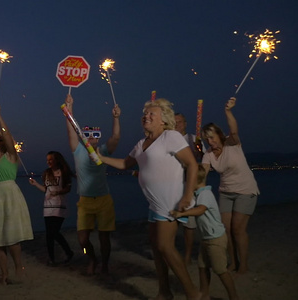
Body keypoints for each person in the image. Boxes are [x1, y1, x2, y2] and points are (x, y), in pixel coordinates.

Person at [96, 98, 201, 300]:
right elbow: (125, 164)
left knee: (165, 246)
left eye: (152, 114)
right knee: (157, 248)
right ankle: (164, 291)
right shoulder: (141, 144)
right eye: (145, 114)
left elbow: (192, 165)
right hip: (154, 203)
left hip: (171, 201)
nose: (147, 116)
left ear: (163, 120)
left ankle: (192, 293)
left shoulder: (170, 136)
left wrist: (188, 195)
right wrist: (102, 158)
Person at [201, 97, 259, 274]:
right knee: (226, 229)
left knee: (237, 229)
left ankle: (244, 265)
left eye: (212, 137)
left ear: (219, 134)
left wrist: (228, 111)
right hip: (226, 193)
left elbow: (234, 130)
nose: (210, 142)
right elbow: (201, 175)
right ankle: (233, 262)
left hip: (245, 190)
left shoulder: (231, 143)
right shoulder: (208, 154)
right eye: (206, 139)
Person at [64, 94, 120, 275]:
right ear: (84, 137)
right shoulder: (78, 150)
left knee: (104, 238)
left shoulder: (103, 150)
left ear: (99, 137)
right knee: (82, 240)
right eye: (88, 134)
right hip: (85, 201)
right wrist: (70, 107)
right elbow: (71, 130)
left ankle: (104, 263)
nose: (92, 137)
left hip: (103, 199)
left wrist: (116, 118)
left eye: (96, 134)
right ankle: (91, 258)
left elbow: (116, 137)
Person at [171, 164, 239, 300]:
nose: (186, 183)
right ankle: (204, 294)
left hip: (215, 239)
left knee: (220, 270)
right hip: (206, 238)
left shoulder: (205, 194)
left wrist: (180, 214)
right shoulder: (198, 194)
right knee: (202, 267)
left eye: (188, 180)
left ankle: (234, 297)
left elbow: (201, 209)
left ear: (194, 180)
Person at [0, 103, 33, 285]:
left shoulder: (12, 156)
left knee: (12, 237)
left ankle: (18, 267)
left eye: (3, 135)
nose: (1, 136)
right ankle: (4, 274)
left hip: (10, 194)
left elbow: (6, 133)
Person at [29, 151, 75, 266]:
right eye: (47, 160)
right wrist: (35, 184)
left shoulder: (63, 172)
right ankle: (52, 258)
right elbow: (46, 190)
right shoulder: (46, 173)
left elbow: (68, 189)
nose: (48, 162)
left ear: (57, 160)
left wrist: (58, 192)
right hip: (48, 206)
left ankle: (69, 252)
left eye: (51, 159)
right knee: (49, 234)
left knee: (54, 232)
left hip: (59, 205)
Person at [174, 112, 206, 265]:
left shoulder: (193, 139)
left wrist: (199, 150)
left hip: (189, 184)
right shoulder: (169, 140)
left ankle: (187, 255)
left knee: (189, 223)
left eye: (179, 122)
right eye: (174, 122)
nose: (177, 125)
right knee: (172, 220)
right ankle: (171, 252)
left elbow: (203, 160)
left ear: (185, 123)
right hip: (173, 184)